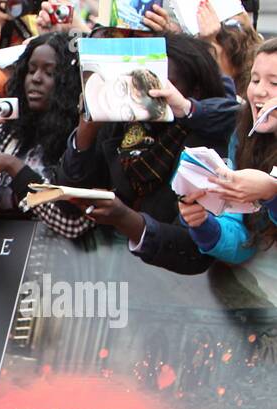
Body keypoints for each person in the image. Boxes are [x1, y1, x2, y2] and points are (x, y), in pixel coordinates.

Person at [64, 32, 236, 274]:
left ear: (193, 90)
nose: (148, 93)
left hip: (179, 293)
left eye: (161, 84)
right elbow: (70, 198)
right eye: (139, 83)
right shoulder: (122, 125)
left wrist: (126, 219)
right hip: (109, 274)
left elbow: (193, 249)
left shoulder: (206, 144)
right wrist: (87, 127)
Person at [0, 31, 92, 238]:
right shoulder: (4, 132)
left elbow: (73, 224)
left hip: (52, 264)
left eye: (49, 73)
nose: (36, 79)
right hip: (0, 260)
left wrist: (14, 167)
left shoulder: (81, 139)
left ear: (69, 82)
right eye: (30, 70)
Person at [177, 37, 277, 266]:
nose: (260, 91)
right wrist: (203, 225)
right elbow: (242, 242)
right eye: (255, 80)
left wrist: (272, 193)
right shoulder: (242, 138)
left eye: (275, 83)